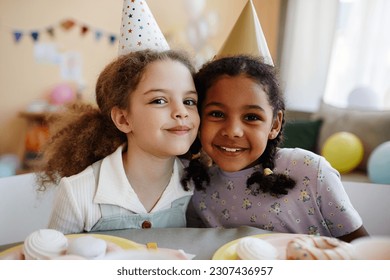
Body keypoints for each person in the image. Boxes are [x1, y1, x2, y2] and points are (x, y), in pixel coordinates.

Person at [182, 54, 368, 242]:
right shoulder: (198, 187)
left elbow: (361, 248)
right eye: (217, 114)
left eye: (251, 117)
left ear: (274, 125)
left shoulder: (310, 171)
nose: (233, 131)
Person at [37, 49, 200, 234]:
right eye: (159, 100)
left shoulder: (203, 185)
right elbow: (56, 260)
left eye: (189, 101)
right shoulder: (77, 193)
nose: (182, 111)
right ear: (123, 119)